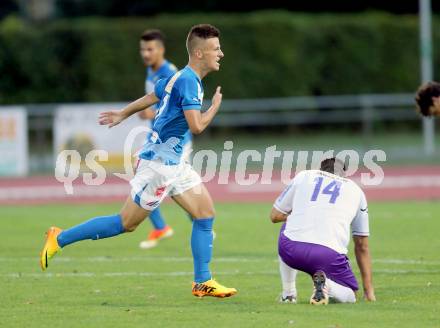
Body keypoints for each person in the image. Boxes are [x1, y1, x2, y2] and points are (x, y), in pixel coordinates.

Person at [40, 24, 237, 298]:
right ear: (200, 53)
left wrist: (123, 113)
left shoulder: (180, 76)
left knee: (205, 214)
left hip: (174, 163)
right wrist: (214, 107)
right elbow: (196, 126)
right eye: (216, 48)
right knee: (126, 223)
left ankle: (202, 281)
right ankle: (59, 238)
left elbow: (152, 96)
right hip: (159, 166)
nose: (221, 53)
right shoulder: (188, 81)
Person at [270, 158, 375, 305]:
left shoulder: (304, 176)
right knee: (351, 295)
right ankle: (327, 286)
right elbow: (362, 245)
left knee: (289, 226)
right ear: (344, 175)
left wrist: (299, 215)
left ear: (320, 170)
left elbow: (275, 216)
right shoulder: (356, 191)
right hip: (328, 256)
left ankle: (288, 294)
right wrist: (369, 292)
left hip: (291, 250)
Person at [137, 28, 186, 250]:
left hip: (173, 142)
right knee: (159, 185)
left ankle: (202, 221)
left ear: (161, 50)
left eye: (150, 49)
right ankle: (164, 227)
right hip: (157, 140)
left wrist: (152, 111)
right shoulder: (151, 69)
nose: (146, 54)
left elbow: (177, 107)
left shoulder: (170, 72)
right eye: (143, 49)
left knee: (170, 186)